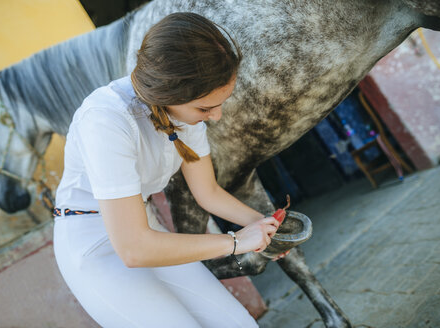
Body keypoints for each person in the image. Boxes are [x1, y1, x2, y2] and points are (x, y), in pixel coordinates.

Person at [53, 12, 284, 328]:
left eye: (220, 104)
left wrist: (265, 227)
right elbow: (134, 249)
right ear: (168, 94)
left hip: (146, 231)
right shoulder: (106, 119)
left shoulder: (184, 114)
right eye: (205, 108)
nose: (216, 117)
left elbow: (208, 193)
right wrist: (235, 242)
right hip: (94, 245)